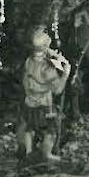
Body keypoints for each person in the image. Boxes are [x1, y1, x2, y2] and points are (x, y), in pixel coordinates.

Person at [16, 27, 70, 161]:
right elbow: (58, 90)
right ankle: (47, 154)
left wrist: (58, 60)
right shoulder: (47, 68)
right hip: (44, 105)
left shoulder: (29, 61)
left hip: (29, 103)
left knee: (30, 128)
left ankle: (28, 152)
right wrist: (65, 75)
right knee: (50, 131)